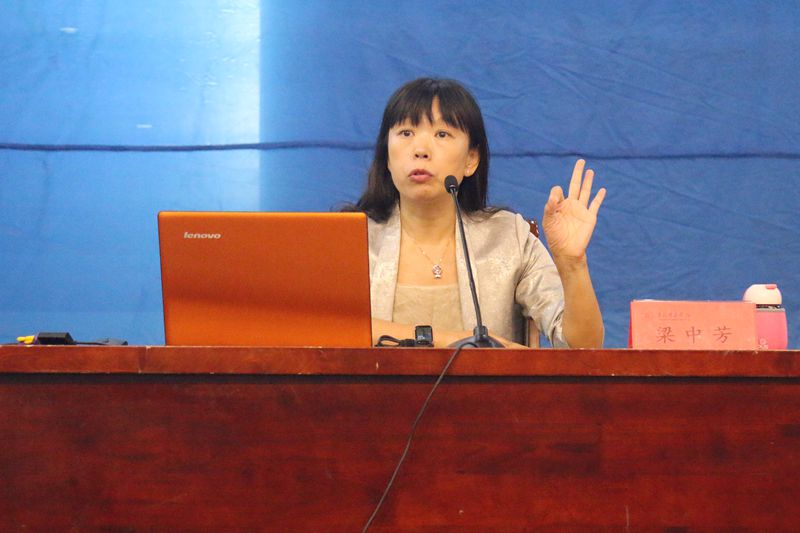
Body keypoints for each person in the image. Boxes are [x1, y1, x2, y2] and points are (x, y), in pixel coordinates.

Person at [346, 77, 605, 348]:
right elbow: (325, 331)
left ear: (471, 159)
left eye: (441, 134)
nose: (420, 150)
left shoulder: (509, 239)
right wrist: (463, 342)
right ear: (387, 157)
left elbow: (583, 349)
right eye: (406, 133)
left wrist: (572, 264)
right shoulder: (352, 241)